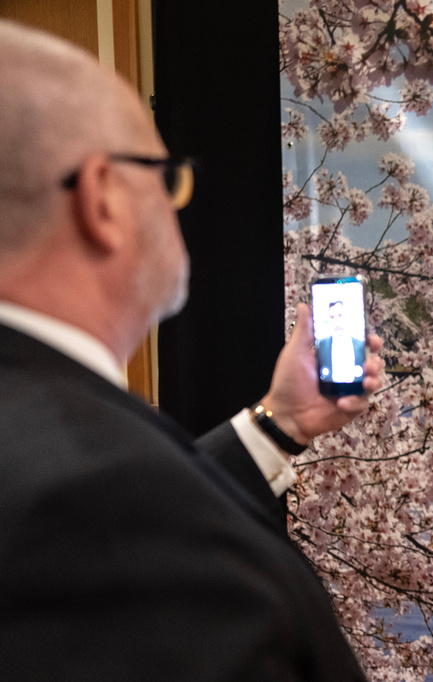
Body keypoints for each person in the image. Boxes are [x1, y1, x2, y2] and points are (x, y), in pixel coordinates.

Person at [0, 21, 383, 680]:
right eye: (166, 174)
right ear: (103, 200)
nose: (181, 202)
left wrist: (278, 424)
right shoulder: (99, 501)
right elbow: (123, 513)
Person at [316, 299, 366, 383]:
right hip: (330, 390)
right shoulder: (322, 345)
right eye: (332, 317)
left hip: (355, 389)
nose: (336, 321)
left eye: (340, 315)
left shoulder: (360, 345)